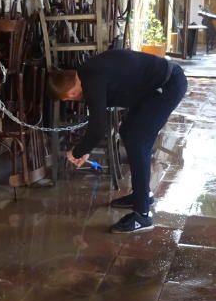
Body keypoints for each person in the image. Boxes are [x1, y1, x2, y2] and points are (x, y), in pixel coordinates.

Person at [47, 50, 188, 233]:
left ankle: (142, 215)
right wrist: (86, 148)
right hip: (153, 89)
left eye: (66, 99)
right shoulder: (87, 73)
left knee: (138, 141)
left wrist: (77, 151)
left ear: (71, 93)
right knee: (128, 132)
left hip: (167, 85)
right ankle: (142, 195)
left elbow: (98, 127)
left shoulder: (91, 79)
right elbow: (97, 126)